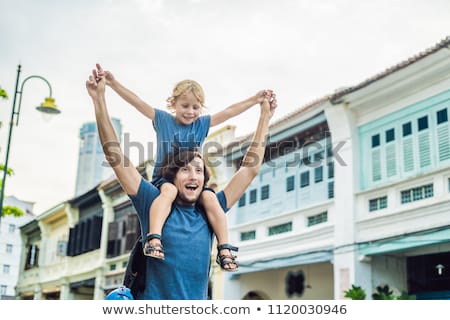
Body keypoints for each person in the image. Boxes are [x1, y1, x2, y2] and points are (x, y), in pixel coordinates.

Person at [86, 72, 276, 299]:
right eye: (185, 169)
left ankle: (224, 250)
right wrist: (99, 100)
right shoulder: (152, 200)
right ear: (173, 175)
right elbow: (114, 153)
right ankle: (153, 239)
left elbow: (250, 169)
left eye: (199, 170)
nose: (194, 176)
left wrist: (264, 116)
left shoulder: (210, 208)